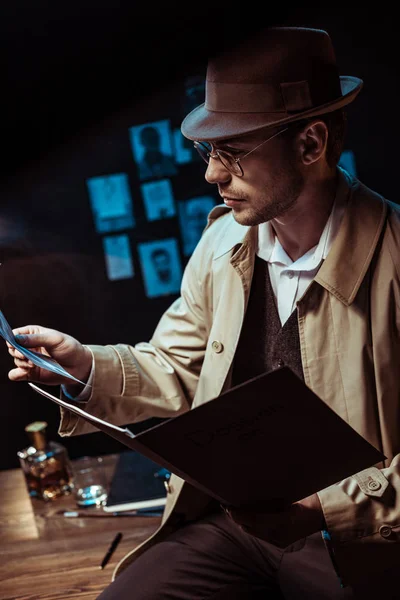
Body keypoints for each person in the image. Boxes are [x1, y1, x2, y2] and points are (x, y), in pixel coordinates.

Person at [6, 27, 400, 599]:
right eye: (209, 151)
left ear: (311, 144)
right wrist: (84, 367)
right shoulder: (220, 245)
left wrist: (325, 509)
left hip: (363, 547)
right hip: (237, 527)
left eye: (233, 151)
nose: (213, 174)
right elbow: (178, 367)